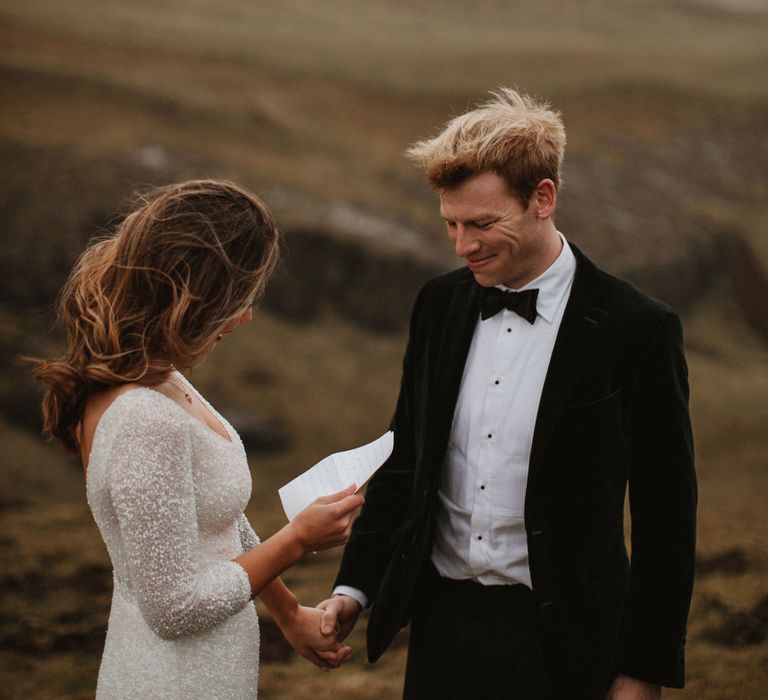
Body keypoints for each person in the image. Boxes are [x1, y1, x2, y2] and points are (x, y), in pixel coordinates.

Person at [318, 89, 697, 699]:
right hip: (441, 634)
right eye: (450, 223)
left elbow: (666, 517)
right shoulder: (438, 304)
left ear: (543, 198)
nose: (462, 245)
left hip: (568, 644)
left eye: (482, 224)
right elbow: (406, 458)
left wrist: (643, 669)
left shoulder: (638, 328)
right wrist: (353, 590)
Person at [32, 180, 363, 699]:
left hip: (207, 674)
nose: (247, 315)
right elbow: (175, 610)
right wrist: (296, 539)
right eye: (240, 298)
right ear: (195, 297)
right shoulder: (145, 418)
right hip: (170, 681)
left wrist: (288, 610)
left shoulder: (160, 377)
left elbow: (217, 524)